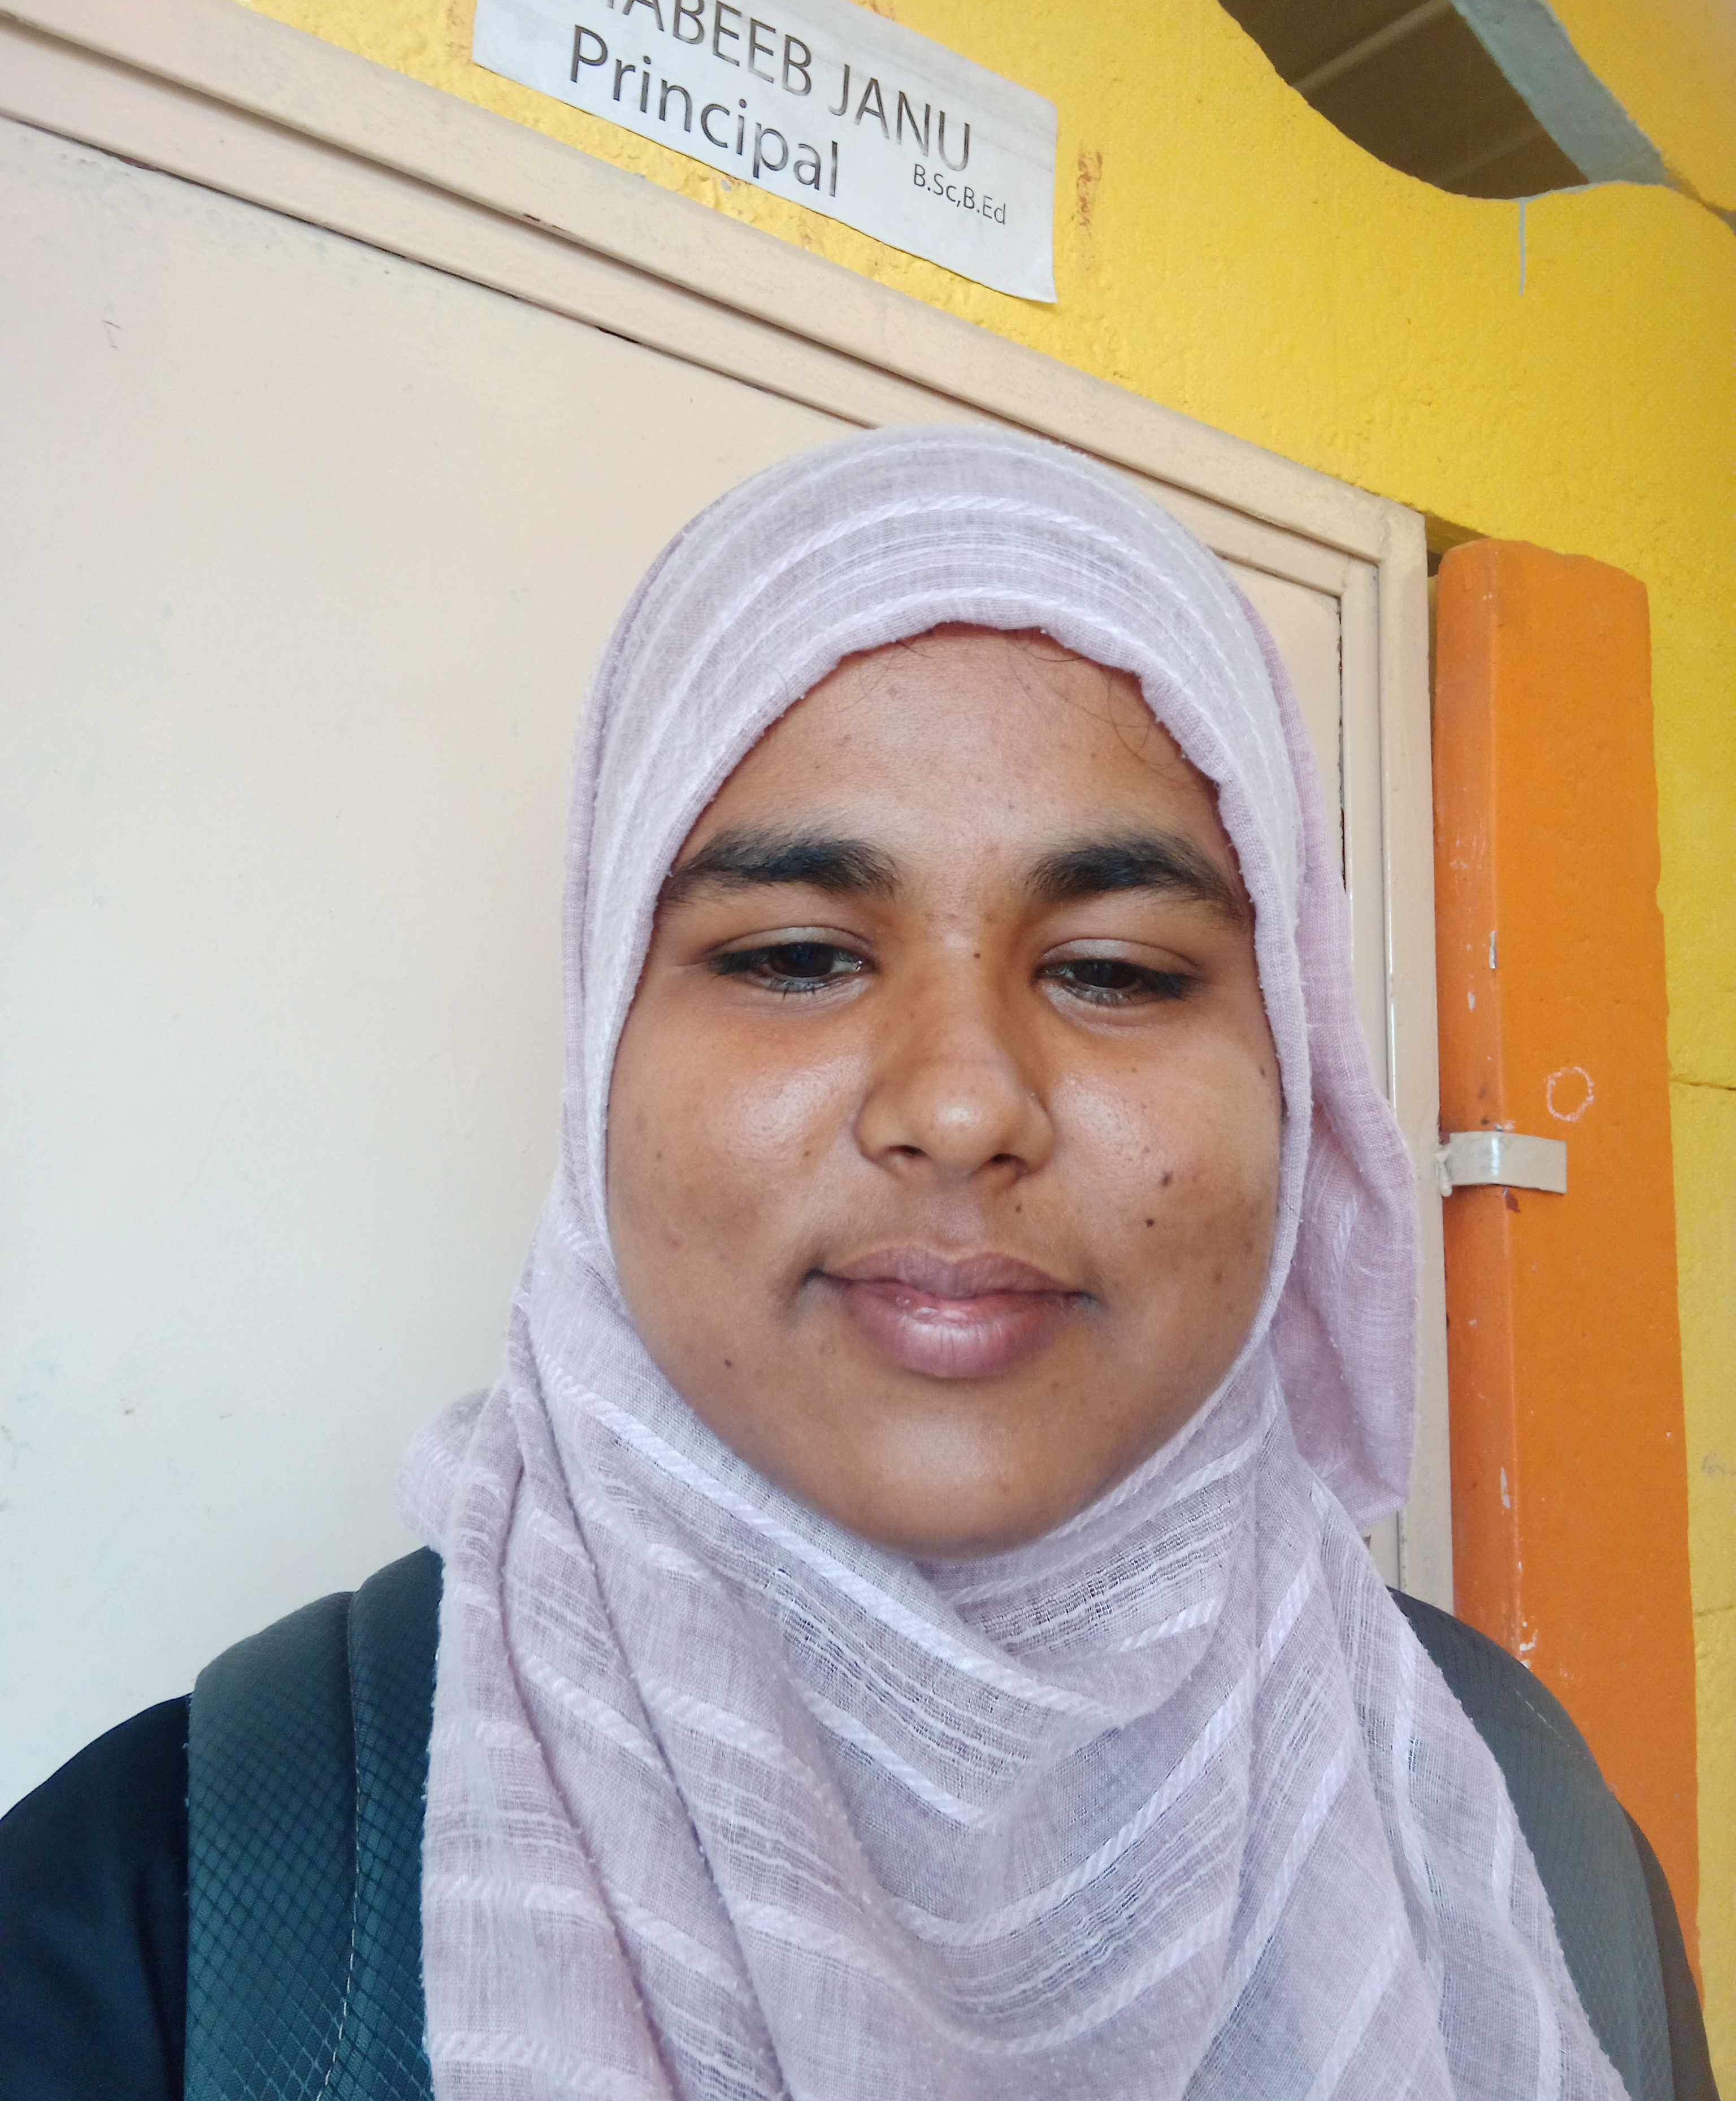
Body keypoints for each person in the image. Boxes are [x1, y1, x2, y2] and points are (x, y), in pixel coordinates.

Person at [0, 427, 1712, 2098]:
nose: (961, 1107)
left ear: (1297, 1081)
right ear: (602, 1051)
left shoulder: (1529, 1837)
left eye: (1116, 970)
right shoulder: (168, 1925)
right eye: (799, 956)